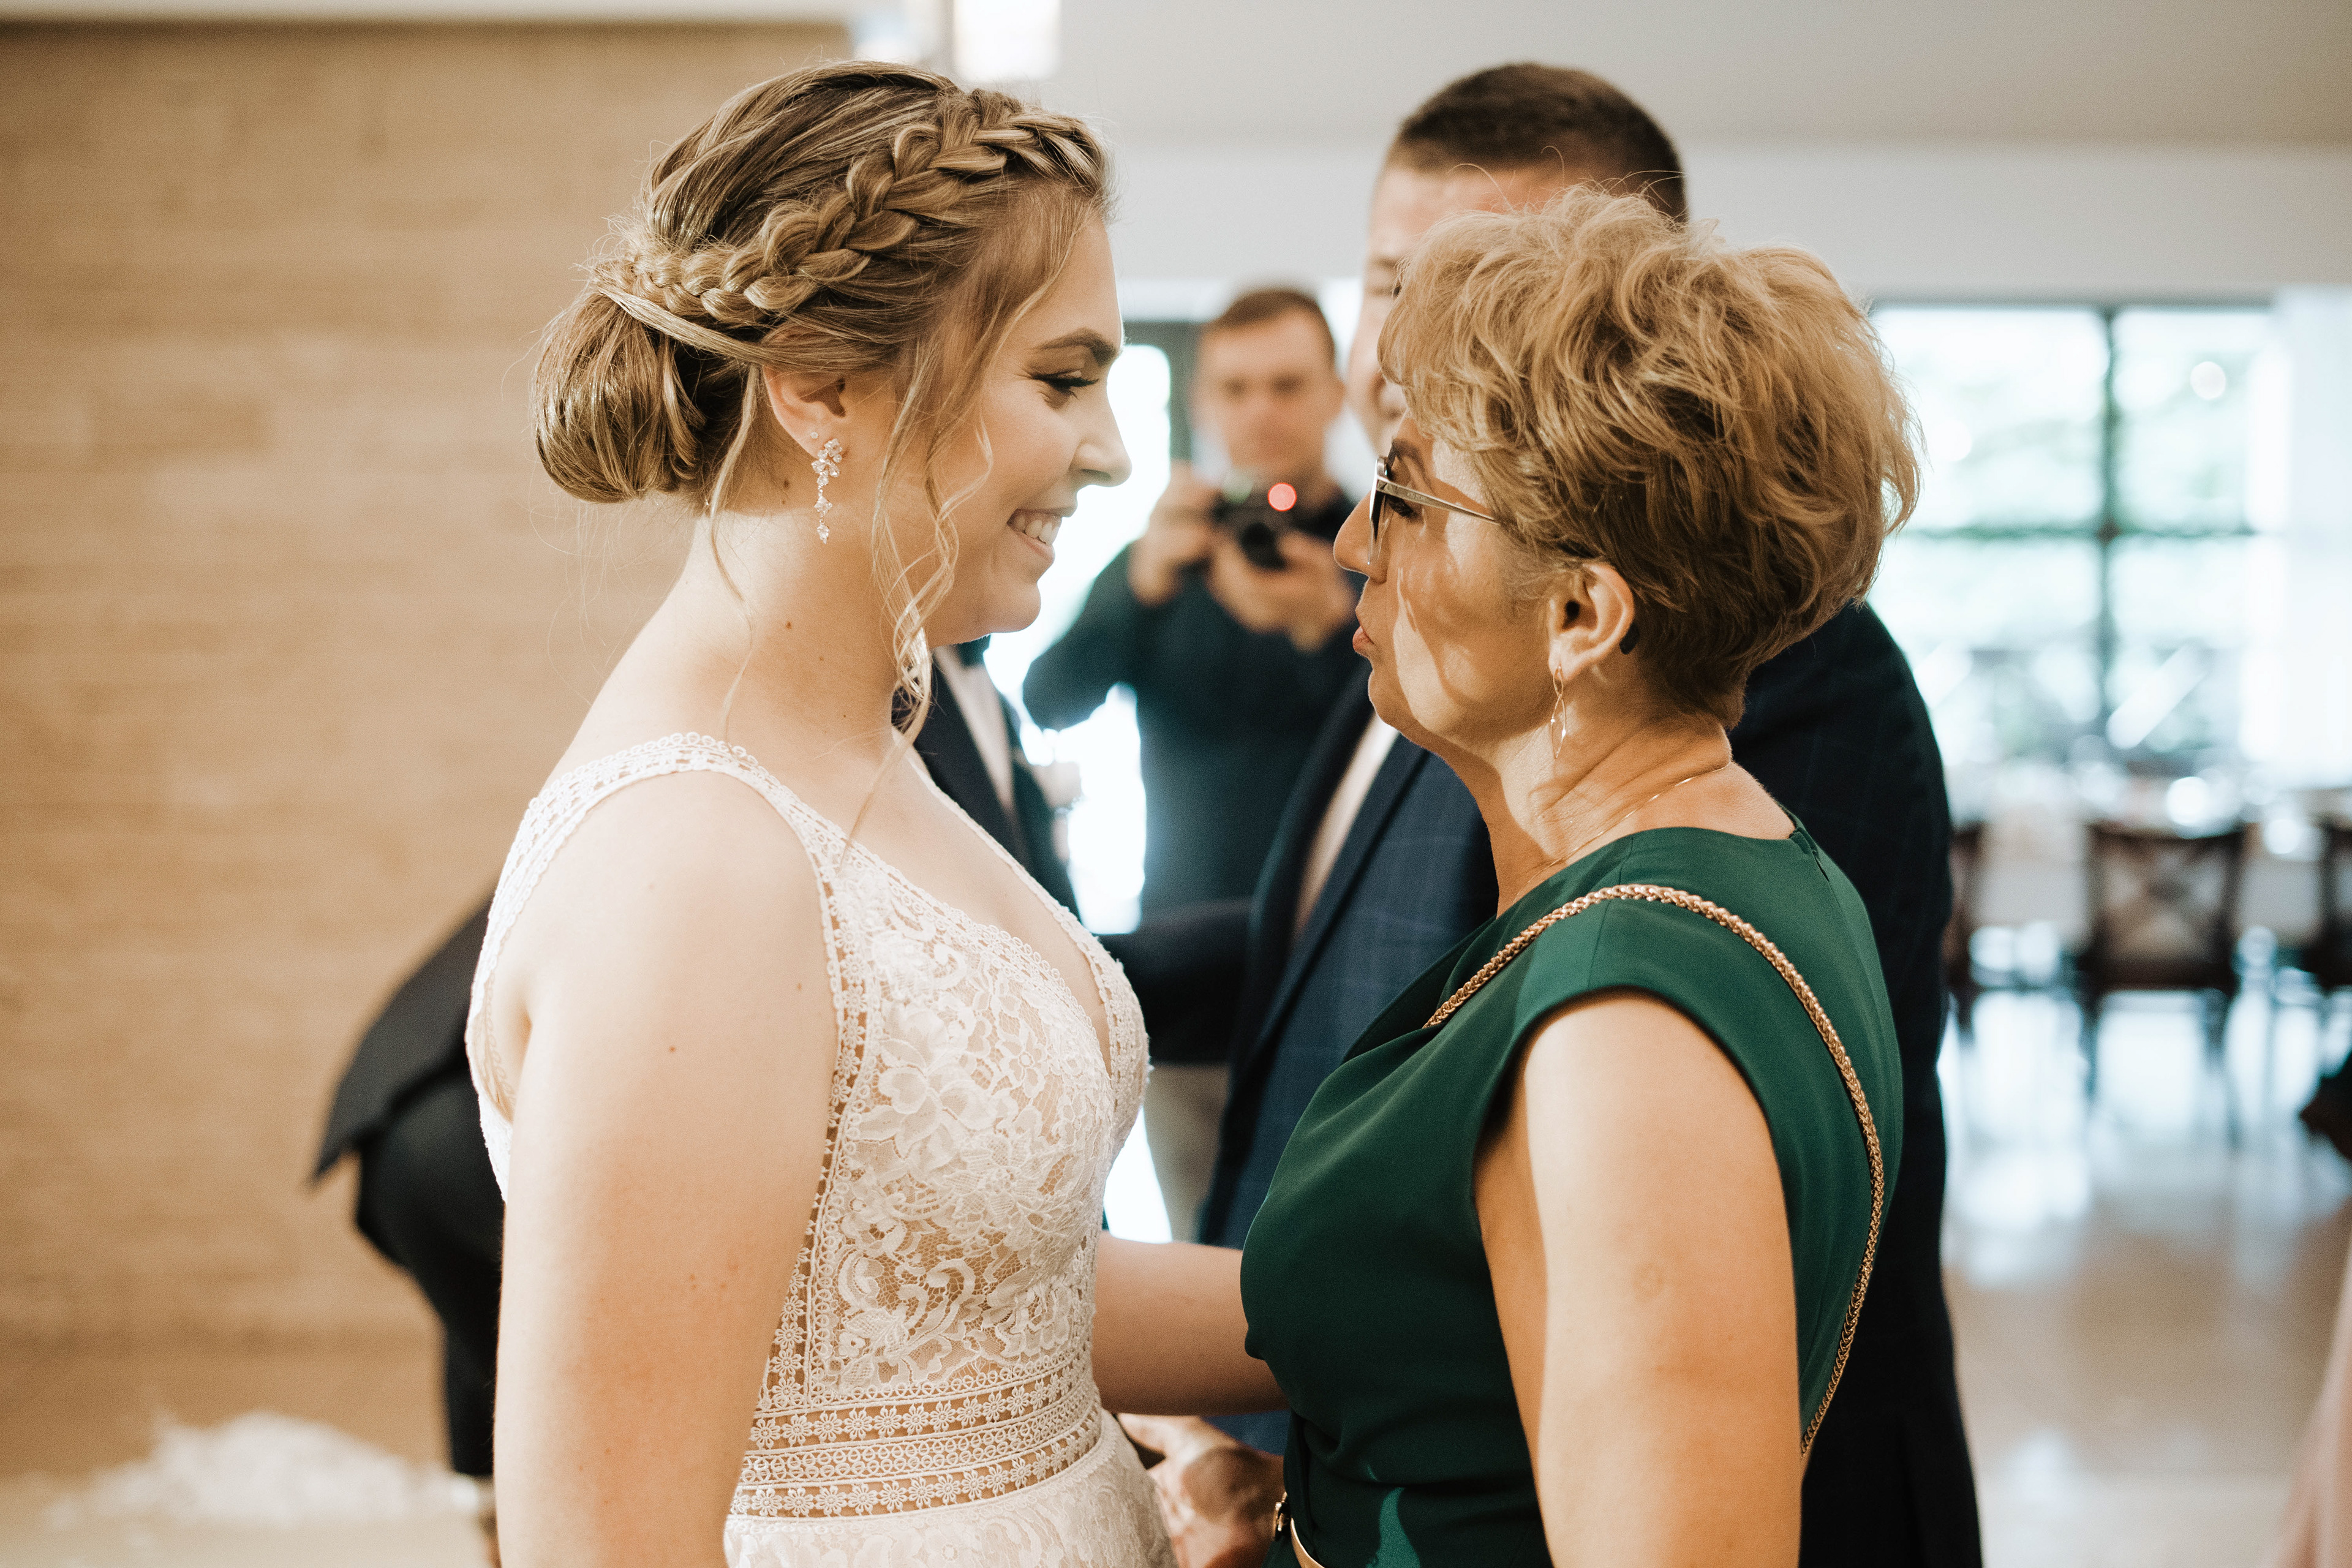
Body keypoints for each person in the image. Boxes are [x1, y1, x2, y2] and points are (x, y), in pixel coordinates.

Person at [464, 63, 1275, 1567]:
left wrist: (1393, 1305)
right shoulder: (692, 862)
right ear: (821, 383)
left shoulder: (869, 748)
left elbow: (988, 1287)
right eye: (1062, 380)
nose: (1109, 449)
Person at [1198, 62, 1981, 1566]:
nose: (1353, 539)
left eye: (1406, 498)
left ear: (1581, 613)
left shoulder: (1631, 1015)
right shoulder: (1701, 861)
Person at [309, 640, 1078, 1514]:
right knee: (609, 1434)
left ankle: (503, 1504)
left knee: (568, 1388)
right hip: (438, 1102)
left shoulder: (951, 718)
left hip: (451, 1108)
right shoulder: (751, 763)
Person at [1023, 286, 1363, 1238]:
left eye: (1287, 385)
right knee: (1202, 1248)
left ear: (1335, 394)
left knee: (1342, 1253)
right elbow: (1049, 700)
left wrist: (1335, 632)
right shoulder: (1167, 554)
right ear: (1204, 401)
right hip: (1186, 968)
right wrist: (1137, 585)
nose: (1262, 411)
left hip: (1346, 966)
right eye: (1237, 388)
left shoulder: (1378, 555)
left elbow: (1433, 751)